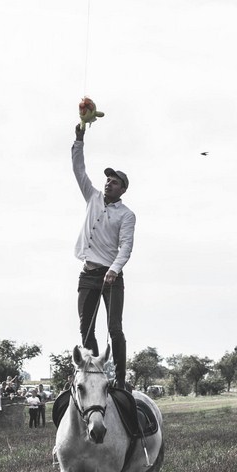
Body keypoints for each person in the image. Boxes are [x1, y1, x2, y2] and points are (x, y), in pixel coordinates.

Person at [72, 122, 136, 389]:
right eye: (108, 180)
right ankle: (93, 374)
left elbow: (126, 246)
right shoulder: (93, 197)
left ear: (123, 189)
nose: (108, 183)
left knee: (114, 329)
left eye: (114, 182)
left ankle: (120, 380)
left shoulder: (127, 215)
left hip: (111, 277)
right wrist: (79, 139)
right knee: (86, 329)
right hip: (88, 273)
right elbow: (79, 169)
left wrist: (115, 269)